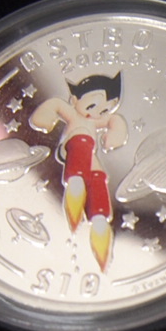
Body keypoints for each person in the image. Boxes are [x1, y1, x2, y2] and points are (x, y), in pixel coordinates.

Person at [30, 73, 128, 270]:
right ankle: (76, 186)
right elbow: (56, 104)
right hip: (73, 146)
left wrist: (116, 132)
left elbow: (114, 120)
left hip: (88, 154)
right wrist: (45, 117)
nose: (96, 113)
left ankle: (99, 219)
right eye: (91, 106)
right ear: (75, 101)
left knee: (97, 175)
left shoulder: (96, 122)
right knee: (82, 137)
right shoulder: (73, 115)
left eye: (104, 110)